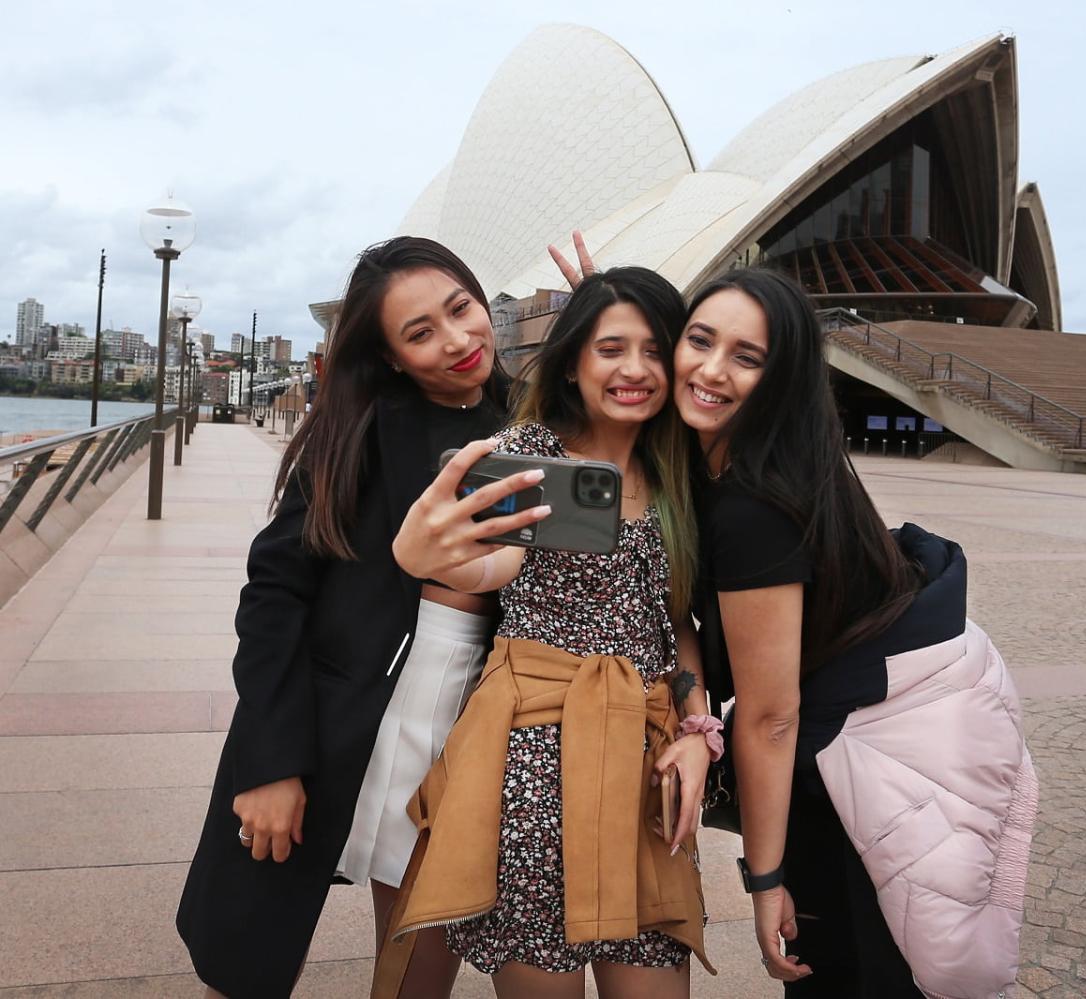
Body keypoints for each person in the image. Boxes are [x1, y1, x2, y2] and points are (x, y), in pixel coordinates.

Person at [552, 243, 1035, 999]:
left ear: (779, 379)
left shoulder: (753, 504)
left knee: (861, 970)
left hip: (872, 757)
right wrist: (600, 324)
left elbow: (772, 717)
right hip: (865, 737)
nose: (711, 370)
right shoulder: (726, 458)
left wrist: (765, 878)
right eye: (700, 340)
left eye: (747, 357)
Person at [175, 236, 550, 999]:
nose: (456, 339)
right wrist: (269, 760)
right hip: (331, 711)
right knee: (246, 949)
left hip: (463, 722)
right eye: (420, 333)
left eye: (461, 308)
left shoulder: (535, 424)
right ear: (390, 357)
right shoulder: (361, 430)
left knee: (415, 964)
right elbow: (274, 589)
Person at [381, 266, 715, 999]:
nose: (634, 369)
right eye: (610, 348)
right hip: (533, 772)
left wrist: (699, 728)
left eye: (654, 349)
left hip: (646, 775)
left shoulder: (683, 465)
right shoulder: (530, 450)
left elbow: (678, 621)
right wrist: (427, 557)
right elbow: (494, 561)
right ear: (573, 361)